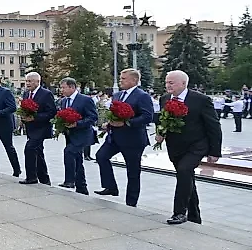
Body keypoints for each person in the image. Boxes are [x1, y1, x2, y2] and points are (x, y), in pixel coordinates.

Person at [158, 70, 222, 224]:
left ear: (183, 83)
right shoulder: (164, 99)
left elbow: (213, 125)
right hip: (175, 147)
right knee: (186, 177)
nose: (168, 85)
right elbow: (162, 120)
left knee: (184, 170)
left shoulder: (201, 100)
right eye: (166, 82)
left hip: (196, 145)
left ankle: (179, 212)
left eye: (171, 82)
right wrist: (160, 133)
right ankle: (195, 216)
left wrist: (215, 151)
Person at [94, 69, 154, 206]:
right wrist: (108, 123)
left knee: (132, 171)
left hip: (133, 139)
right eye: (121, 78)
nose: (120, 81)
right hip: (115, 136)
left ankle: (131, 202)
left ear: (134, 80)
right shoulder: (118, 95)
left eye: (123, 79)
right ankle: (110, 187)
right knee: (101, 156)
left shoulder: (142, 96)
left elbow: (147, 116)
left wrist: (126, 122)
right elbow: (113, 113)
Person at [56, 77, 98, 195]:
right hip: (70, 135)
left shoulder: (85, 100)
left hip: (82, 134)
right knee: (78, 161)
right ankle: (82, 188)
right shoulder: (63, 101)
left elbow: (93, 117)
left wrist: (77, 123)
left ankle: (70, 180)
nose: (61, 90)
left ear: (72, 87)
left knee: (68, 152)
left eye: (64, 87)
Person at [18, 72, 57, 186]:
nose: (27, 84)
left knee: (29, 149)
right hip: (30, 129)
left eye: (30, 81)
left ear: (37, 81)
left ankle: (31, 177)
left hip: (41, 128)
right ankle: (44, 179)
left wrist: (34, 117)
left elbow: (51, 112)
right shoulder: (26, 94)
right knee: (38, 153)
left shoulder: (46, 94)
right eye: (26, 81)